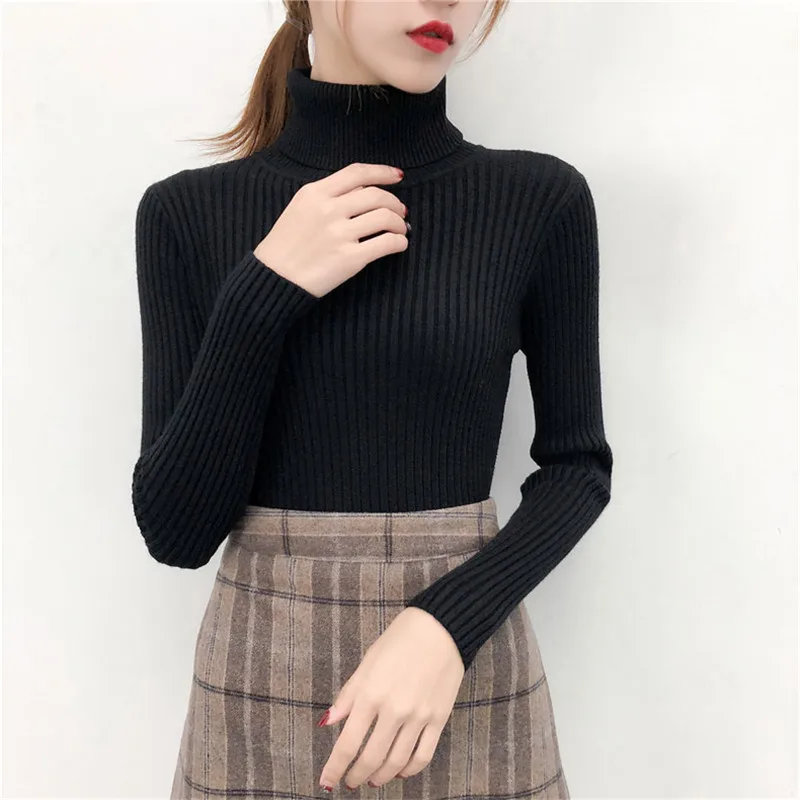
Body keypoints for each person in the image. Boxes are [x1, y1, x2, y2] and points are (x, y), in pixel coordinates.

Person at [132, 0, 613, 796]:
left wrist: (445, 625)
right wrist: (264, 290)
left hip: (461, 673)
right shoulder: (184, 214)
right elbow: (176, 532)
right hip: (259, 677)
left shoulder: (538, 198)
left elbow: (577, 468)